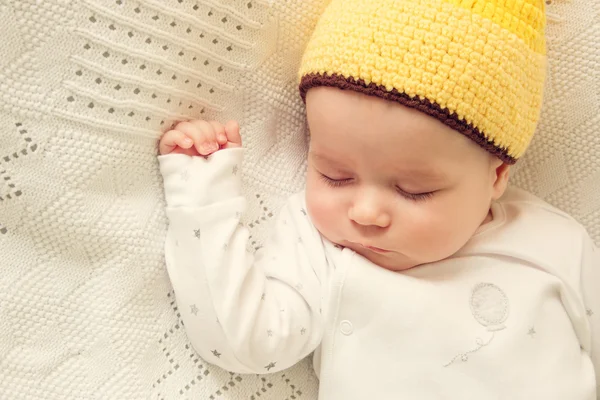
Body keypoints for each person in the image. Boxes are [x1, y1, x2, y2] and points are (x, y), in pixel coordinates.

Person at [157, 0, 600, 398]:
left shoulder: (555, 243)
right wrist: (202, 195)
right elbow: (246, 341)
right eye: (334, 176)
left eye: (414, 190)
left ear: (497, 174)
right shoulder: (322, 248)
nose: (365, 213)